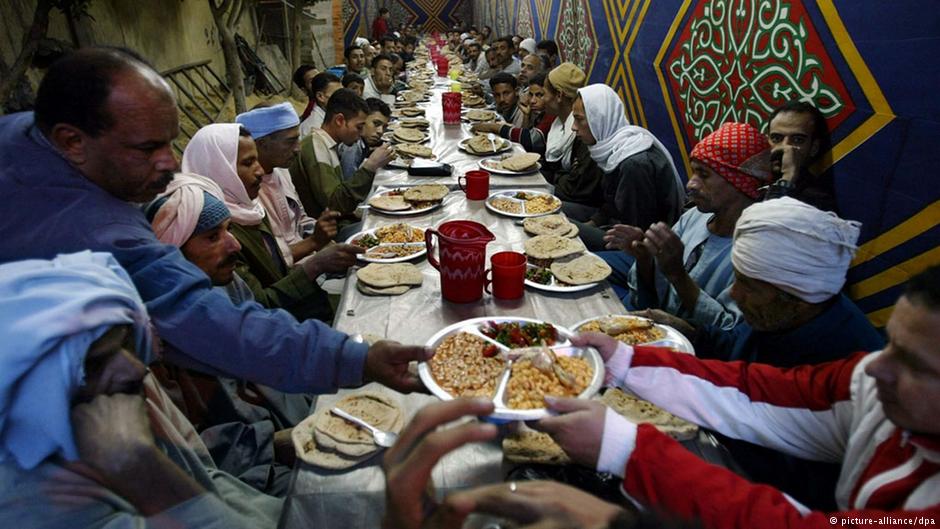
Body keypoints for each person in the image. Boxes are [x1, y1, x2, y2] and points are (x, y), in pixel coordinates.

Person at [0, 47, 427, 398]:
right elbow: (214, 323)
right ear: (71, 141)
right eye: (148, 149)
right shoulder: (101, 231)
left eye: (169, 143)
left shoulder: (27, 138)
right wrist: (355, 359)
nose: (169, 165)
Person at [537, 264, 940, 529]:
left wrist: (625, 449)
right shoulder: (873, 382)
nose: (874, 367)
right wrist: (624, 361)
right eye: (890, 345)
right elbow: (761, 393)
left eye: (914, 365)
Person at [0, 251, 283, 528]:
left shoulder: (114, 396)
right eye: (95, 364)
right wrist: (138, 467)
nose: (135, 369)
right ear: (35, 391)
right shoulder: (25, 501)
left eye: (126, 343)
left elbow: (205, 477)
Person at [640, 197, 884, 508]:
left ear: (796, 298)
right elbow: (734, 346)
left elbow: (797, 483)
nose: (733, 293)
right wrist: (692, 332)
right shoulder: (778, 314)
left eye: (746, 285)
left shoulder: (846, 370)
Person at [146, 174, 310, 495]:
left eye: (229, 230)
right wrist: (280, 442)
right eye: (212, 237)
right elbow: (192, 450)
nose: (234, 245)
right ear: (174, 253)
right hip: (244, 477)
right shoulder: (158, 340)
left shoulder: (227, 285)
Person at [601, 122, 773, 330]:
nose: (691, 184)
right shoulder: (693, 217)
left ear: (739, 181)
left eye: (704, 175)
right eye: (694, 173)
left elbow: (726, 334)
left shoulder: (753, 252)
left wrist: (678, 275)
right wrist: (645, 258)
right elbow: (650, 299)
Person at [182, 124, 356, 322]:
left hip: (301, 305)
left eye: (256, 160)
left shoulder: (252, 210)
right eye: (248, 163)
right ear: (220, 169)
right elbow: (259, 306)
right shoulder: (214, 232)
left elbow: (278, 268)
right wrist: (315, 264)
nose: (259, 171)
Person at [571, 84, 684, 247]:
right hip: (615, 224)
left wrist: (584, 231)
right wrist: (593, 223)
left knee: (557, 225)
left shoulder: (633, 164)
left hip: (640, 248)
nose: (573, 127)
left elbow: (637, 231)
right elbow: (612, 204)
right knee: (554, 216)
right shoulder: (615, 148)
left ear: (600, 119)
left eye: (579, 119)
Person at [237, 102, 338, 266]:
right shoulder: (246, 189)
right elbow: (269, 261)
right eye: (290, 141)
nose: (298, 148)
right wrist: (314, 242)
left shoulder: (281, 171)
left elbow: (300, 220)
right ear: (262, 144)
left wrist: (323, 238)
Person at [290, 88, 393, 227]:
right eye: (358, 126)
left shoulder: (327, 145)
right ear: (339, 120)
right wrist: (370, 167)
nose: (361, 132)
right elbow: (334, 205)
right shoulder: (316, 147)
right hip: (327, 233)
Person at [541, 63, 605, 222]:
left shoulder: (586, 133)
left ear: (559, 96)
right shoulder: (558, 124)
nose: (542, 100)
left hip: (586, 206)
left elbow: (577, 188)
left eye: (543, 94)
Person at [763, 100, 838, 213]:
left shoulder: (816, 203)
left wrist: (787, 178)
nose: (785, 147)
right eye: (776, 138)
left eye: (797, 140)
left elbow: (765, 225)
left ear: (814, 148)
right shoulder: (750, 181)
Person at [472, 72, 554, 154]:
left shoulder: (551, 114)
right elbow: (524, 139)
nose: (532, 101)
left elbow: (530, 140)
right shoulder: (536, 111)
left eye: (539, 95)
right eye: (530, 94)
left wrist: (494, 127)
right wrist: (526, 116)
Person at [339, 97, 391, 180]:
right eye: (376, 123)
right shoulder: (352, 148)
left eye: (384, 127)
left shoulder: (363, 142)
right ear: (363, 120)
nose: (380, 131)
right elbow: (350, 184)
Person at [299, 72, 342, 136]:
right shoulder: (313, 127)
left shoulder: (332, 115)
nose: (342, 98)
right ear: (320, 96)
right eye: (336, 95)